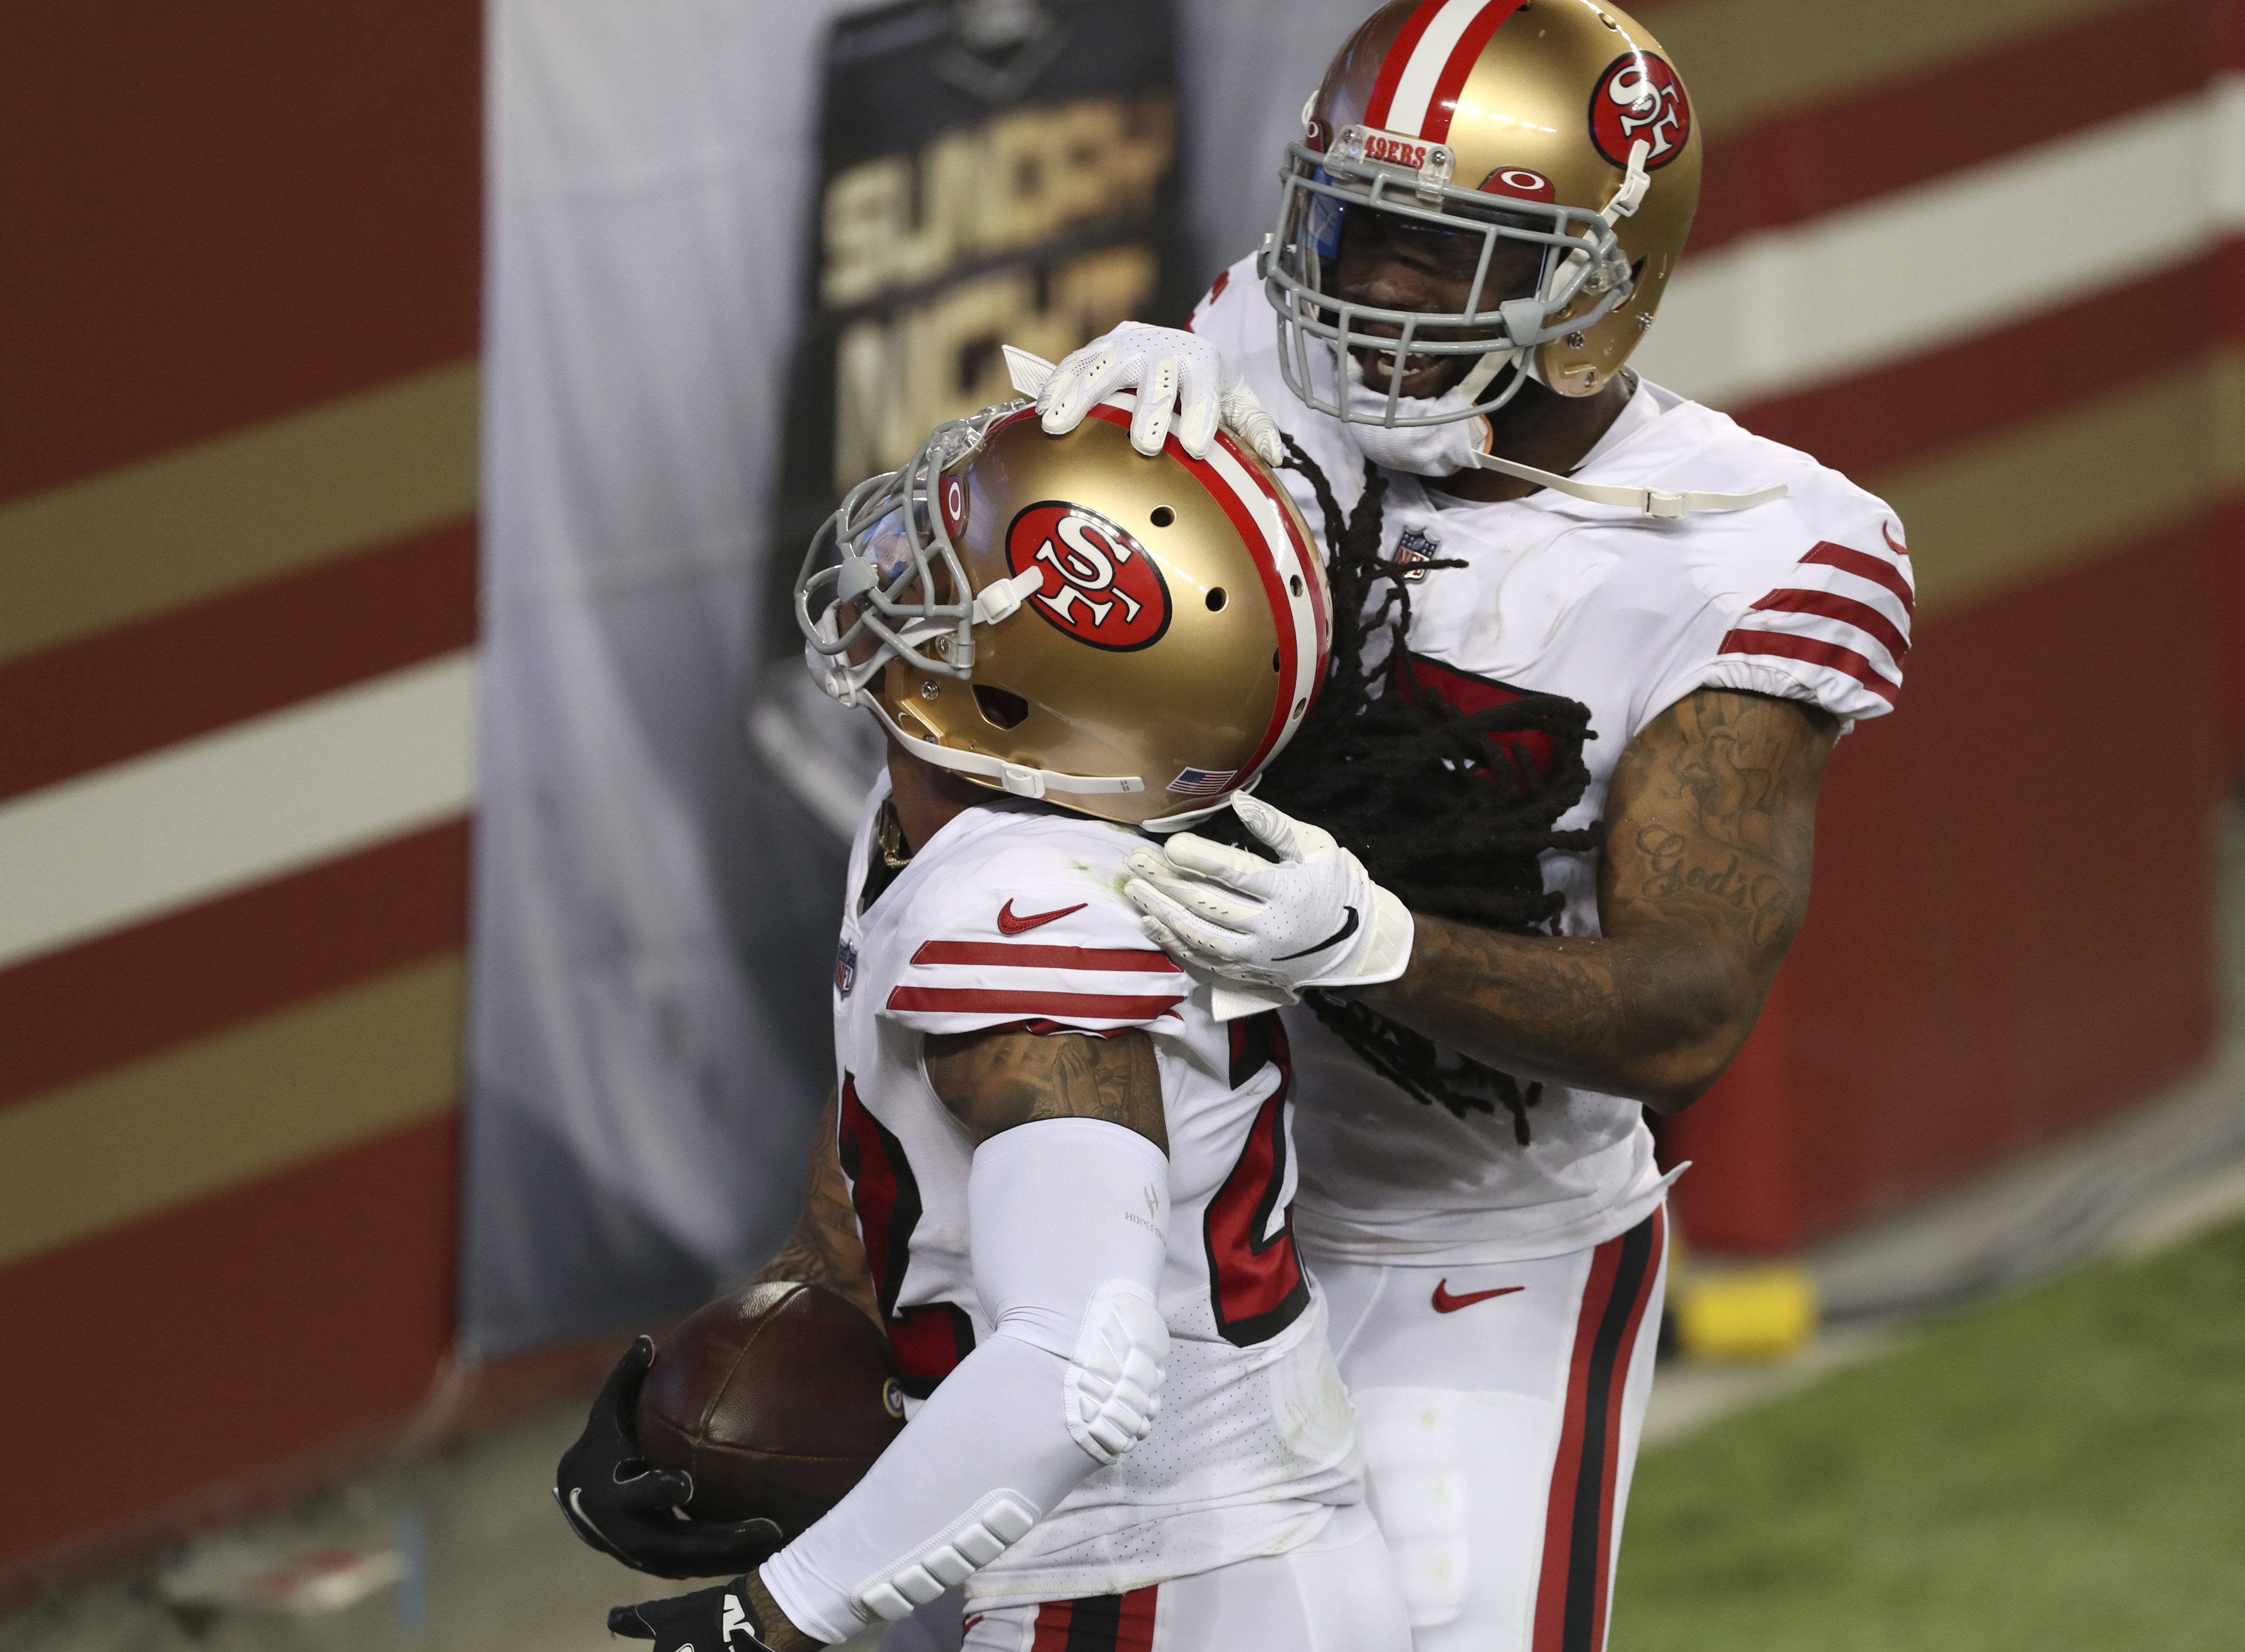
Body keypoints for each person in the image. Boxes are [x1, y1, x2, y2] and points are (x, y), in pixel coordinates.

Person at [1028, 3, 1915, 1648]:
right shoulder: (1236, 358)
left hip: (1462, 1252)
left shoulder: (1750, 547)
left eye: (1444, 253)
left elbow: (1685, 1008)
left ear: (1597, 281)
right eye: (1352, 230)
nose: (1370, 290)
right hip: (1154, 1220)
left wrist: (1374, 945)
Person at [571, 395, 1413, 1652]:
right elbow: (891, 1181)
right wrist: (724, 1397)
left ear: (1029, 689)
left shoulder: (1023, 905)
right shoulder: (945, 822)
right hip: (1186, 1568)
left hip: (1160, 1583)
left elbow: (1084, 1364)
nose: (898, 566)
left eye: (945, 563)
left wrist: (773, 1615)